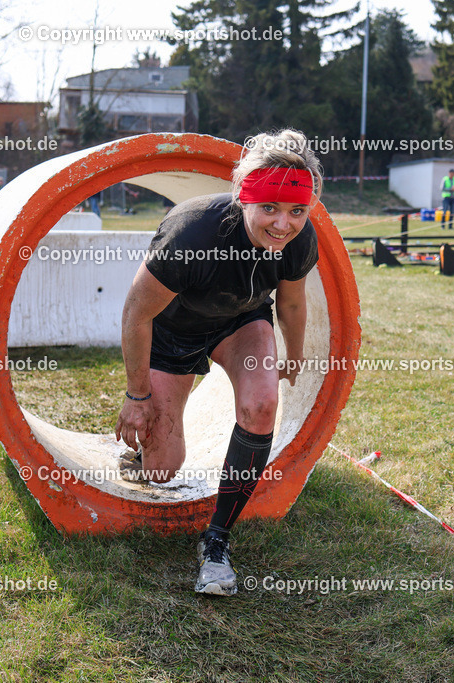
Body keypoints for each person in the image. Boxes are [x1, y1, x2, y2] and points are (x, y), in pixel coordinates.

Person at [114, 128, 321, 597]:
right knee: (163, 470)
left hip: (240, 322)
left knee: (263, 405)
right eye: (268, 208)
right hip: (173, 330)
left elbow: (289, 304)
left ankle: (217, 540)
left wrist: (296, 354)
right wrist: (137, 395)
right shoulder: (194, 232)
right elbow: (136, 312)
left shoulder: (300, 238)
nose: (282, 224)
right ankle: (140, 449)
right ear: (244, 198)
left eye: (296, 211)